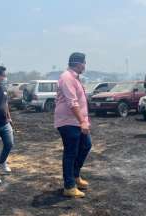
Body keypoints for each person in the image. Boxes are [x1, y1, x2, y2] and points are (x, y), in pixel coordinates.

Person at [54, 52, 92, 198]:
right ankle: (69, 186)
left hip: (77, 121)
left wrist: (84, 120)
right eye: (84, 63)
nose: (85, 66)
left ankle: (75, 176)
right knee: (71, 152)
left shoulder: (74, 78)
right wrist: (82, 121)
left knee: (86, 145)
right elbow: (72, 102)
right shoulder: (67, 77)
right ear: (78, 63)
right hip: (68, 122)